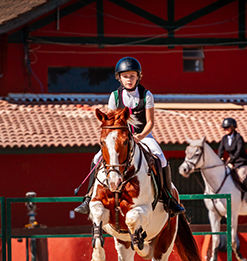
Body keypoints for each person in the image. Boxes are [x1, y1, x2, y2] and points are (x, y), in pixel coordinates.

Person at [74, 56, 185, 216]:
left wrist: (140, 136)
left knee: (161, 158)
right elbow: (111, 122)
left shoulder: (147, 95)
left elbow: (150, 122)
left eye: (132, 76)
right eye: (125, 76)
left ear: (138, 77)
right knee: (96, 158)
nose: (129, 79)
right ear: (119, 77)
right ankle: (87, 198)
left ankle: (168, 198)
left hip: (143, 136)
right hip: (121, 138)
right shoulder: (115, 96)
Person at [217, 117, 247, 192]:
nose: (225, 129)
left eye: (227, 127)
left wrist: (231, 160)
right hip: (233, 162)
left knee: (241, 175)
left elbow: (239, 151)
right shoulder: (224, 138)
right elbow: (221, 149)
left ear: (233, 128)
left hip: (242, 162)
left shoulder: (238, 138)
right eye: (224, 128)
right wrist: (219, 158)